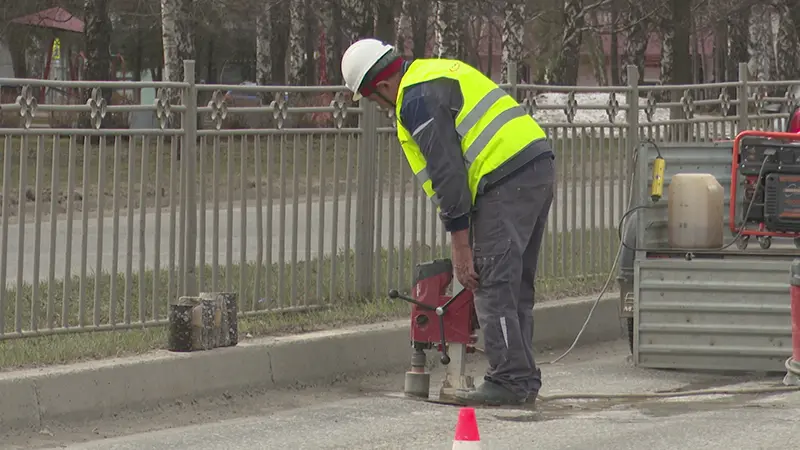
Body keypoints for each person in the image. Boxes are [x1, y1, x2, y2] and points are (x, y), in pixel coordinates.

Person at [340, 38, 556, 407]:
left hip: (503, 178)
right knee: (515, 285)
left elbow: (448, 174)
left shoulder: (415, 99)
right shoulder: (434, 71)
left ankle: (510, 380)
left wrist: (460, 245)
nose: (379, 108)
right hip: (535, 166)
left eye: (374, 101)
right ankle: (521, 376)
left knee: (493, 284)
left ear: (382, 87)